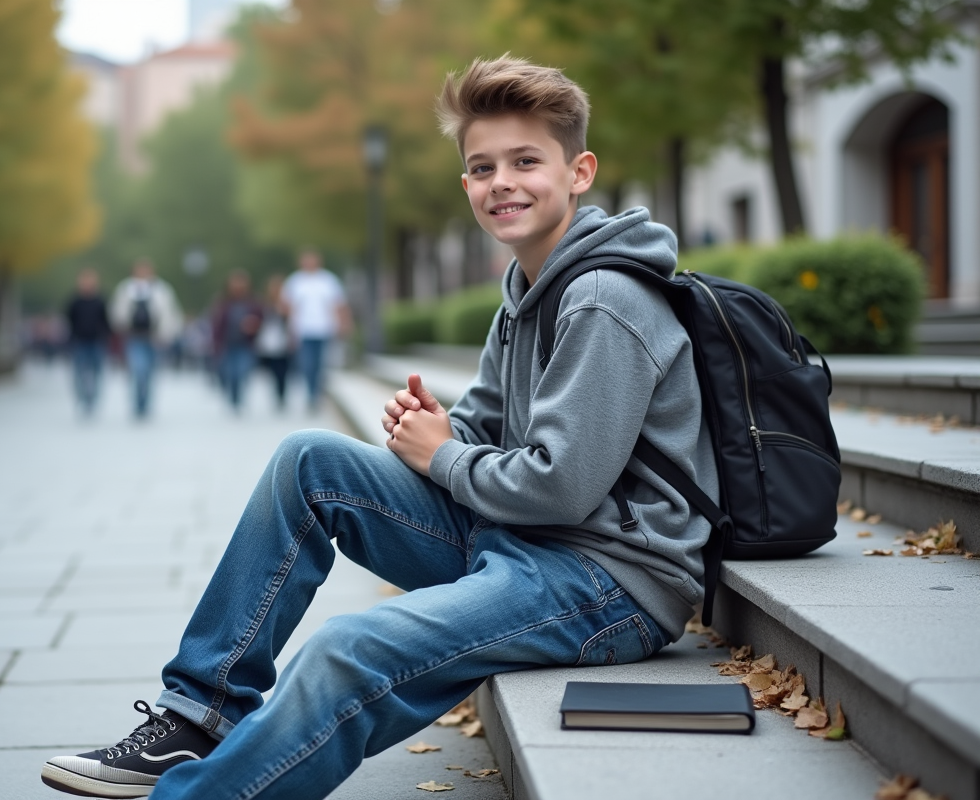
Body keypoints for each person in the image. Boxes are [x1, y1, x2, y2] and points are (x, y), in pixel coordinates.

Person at [40, 55, 715, 800]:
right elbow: (483, 428)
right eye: (483, 167)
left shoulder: (604, 299)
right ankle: (196, 717)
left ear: (579, 171)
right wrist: (435, 432)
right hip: (526, 539)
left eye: (527, 161)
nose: (503, 183)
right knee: (308, 460)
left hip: (606, 580)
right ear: (466, 186)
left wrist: (443, 458)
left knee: (347, 647)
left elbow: (559, 488)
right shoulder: (525, 289)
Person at [110, 259, 182, 418]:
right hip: (134, 337)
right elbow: (117, 312)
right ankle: (137, 402)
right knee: (138, 370)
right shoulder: (126, 289)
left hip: (155, 337)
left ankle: (146, 402)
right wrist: (122, 327)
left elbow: (170, 314)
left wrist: (168, 334)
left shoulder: (162, 289)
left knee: (150, 373)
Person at [280, 249, 351, 410]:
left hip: (324, 329)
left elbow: (339, 305)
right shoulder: (295, 281)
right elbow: (285, 305)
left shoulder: (328, 280)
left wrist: (343, 323)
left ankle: (317, 393)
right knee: (307, 364)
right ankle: (311, 393)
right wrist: (291, 322)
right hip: (303, 330)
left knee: (321, 364)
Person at [210, 271, 263, 413]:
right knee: (229, 373)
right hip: (227, 344)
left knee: (242, 371)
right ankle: (233, 398)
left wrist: (254, 326)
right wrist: (215, 345)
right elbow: (216, 325)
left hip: (246, 345)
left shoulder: (253, 303)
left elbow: (262, 321)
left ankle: (239, 398)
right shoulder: (223, 302)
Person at [65, 269, 111, 415]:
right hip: (79, 341)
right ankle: (82, 397)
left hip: (97, 341)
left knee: (97, 372)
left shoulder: (100, 300)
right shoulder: (74, 301)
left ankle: (93, 399)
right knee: (79, 372)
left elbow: (106, 321)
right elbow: (69, 320)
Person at [254, 275, 292, 411]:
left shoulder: (287, 304)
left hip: (283, 343)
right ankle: (275, 394)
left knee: (282, 372)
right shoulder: (264, 304)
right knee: (271, 373)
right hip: (268, 343)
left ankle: (281, 396)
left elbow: (291, 322)